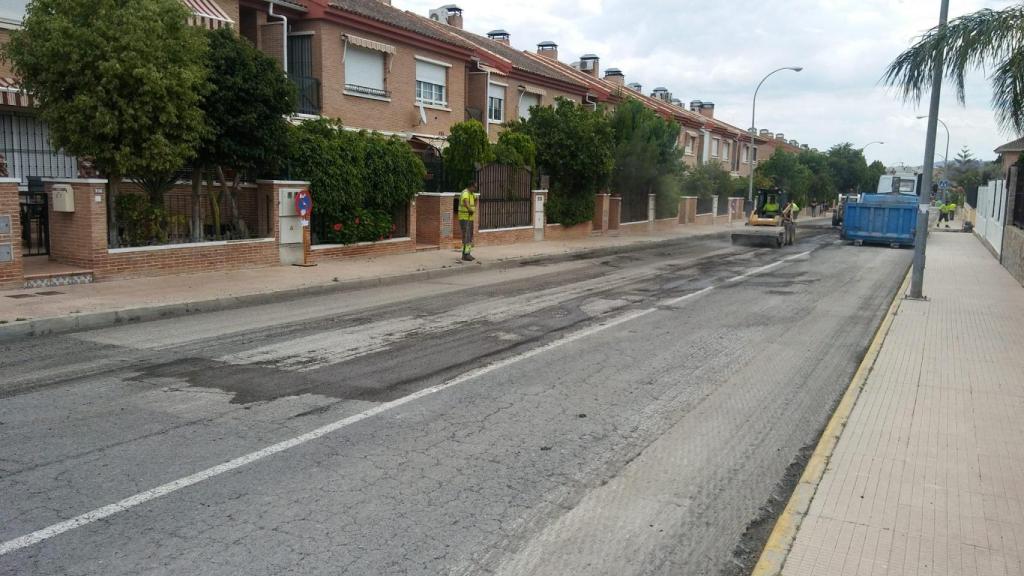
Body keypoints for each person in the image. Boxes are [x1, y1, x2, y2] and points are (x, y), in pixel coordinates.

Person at [458, 181, 477, 261]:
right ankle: (465, 255)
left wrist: (473, 208)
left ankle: (468, 253)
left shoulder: (472, 194)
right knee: (466, 236)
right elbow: (465, 202)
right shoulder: (465, 193)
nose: (476, 189)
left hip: (470, 217)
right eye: (475, 187)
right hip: (464, 217)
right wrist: (470, 209)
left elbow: (476, 200)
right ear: (471, 186)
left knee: (469, 236)